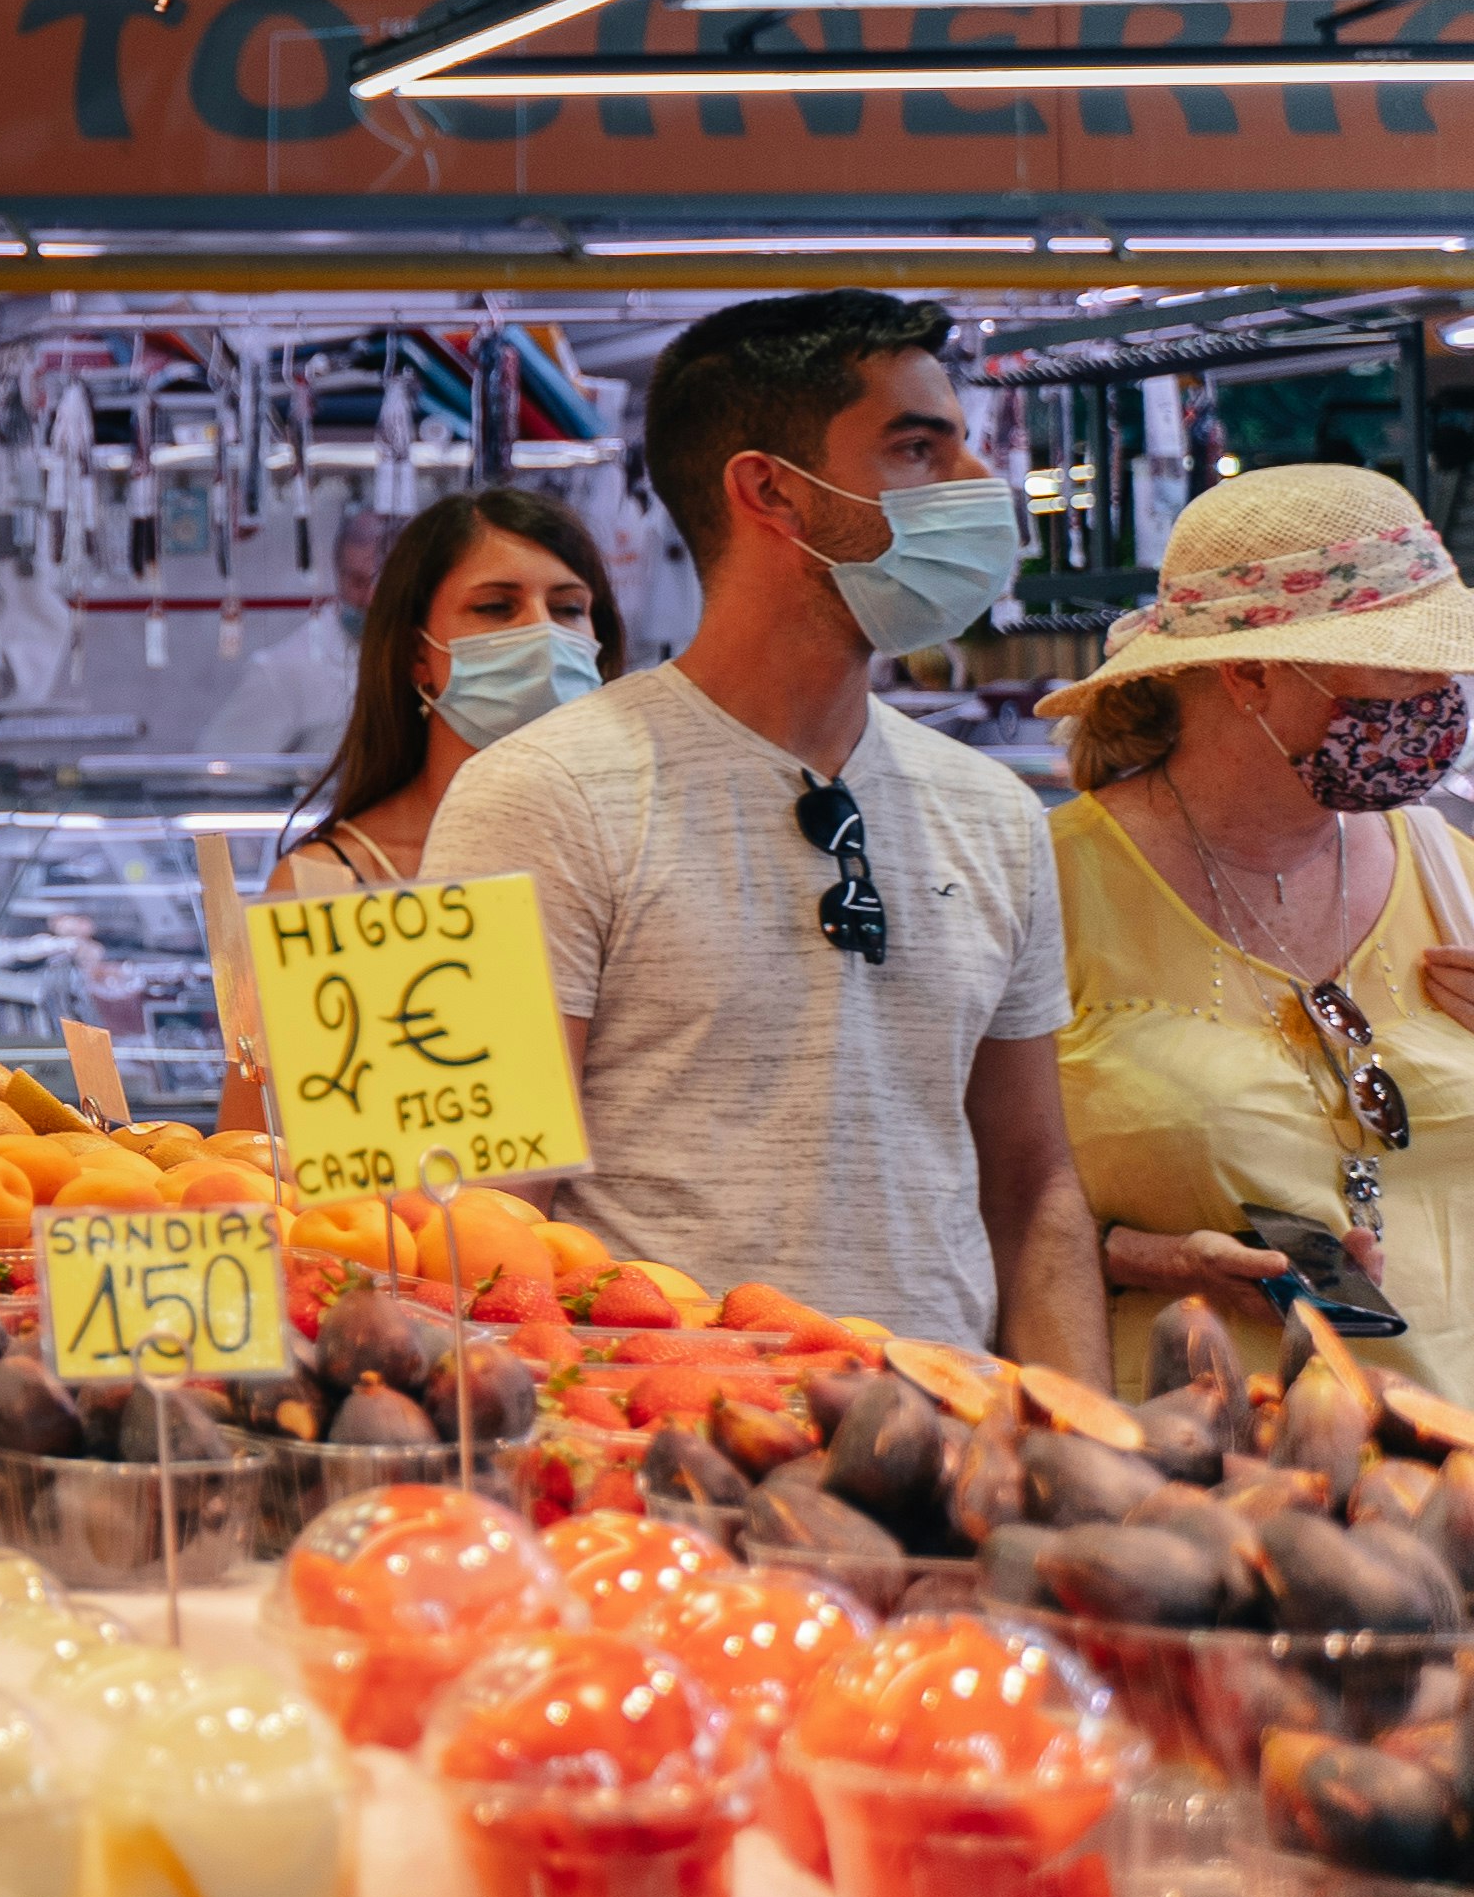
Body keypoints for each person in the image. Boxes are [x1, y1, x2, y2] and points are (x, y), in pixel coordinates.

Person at [427, 291, 1094, 1364]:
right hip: (663, 1457)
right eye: (919, 449)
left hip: (950, 1450)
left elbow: (1034, 1186)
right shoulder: (537, 796)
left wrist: (1088, 1444)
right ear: (772, 490)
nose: (980, 486)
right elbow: (472, 1214)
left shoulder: (1001, 815)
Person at [1038, 463, 1474, 1392]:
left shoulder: (1451, 872)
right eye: (1404, 663)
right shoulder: (1047, 883)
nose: (1439, 695)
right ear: (1248, 673)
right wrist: (1144, 1257)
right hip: (1200, 1453)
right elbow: (956, 1190)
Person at [271, 488, 633, 894]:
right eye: (496, 607)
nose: (542, 633)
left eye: (568, 609)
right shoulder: (325, 880)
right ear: (417, 654)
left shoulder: (628, 856)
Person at [211, 509, 393, 765]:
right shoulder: (283, 669)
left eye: (386, 582)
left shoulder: (429, 657)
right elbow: (223, 779)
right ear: (338, 574)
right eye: (357, 582)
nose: (371, 598)